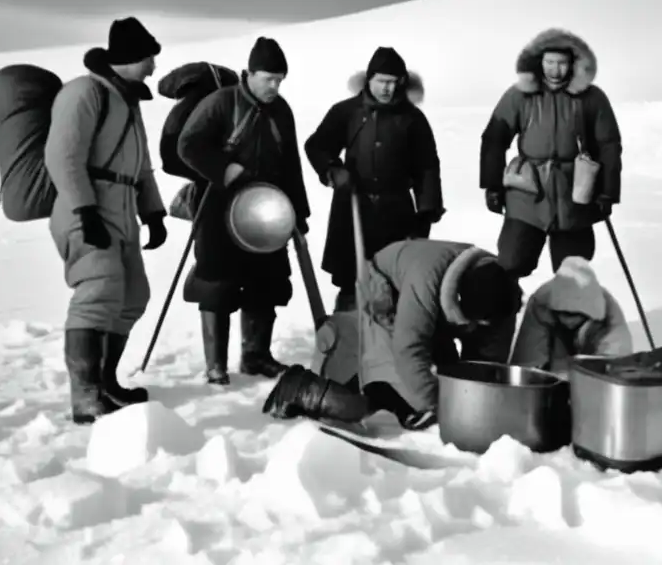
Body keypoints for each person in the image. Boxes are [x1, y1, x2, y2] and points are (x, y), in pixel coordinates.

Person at [44, 16, 168, 424]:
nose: (153, 66)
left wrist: (152, 211)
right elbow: (63, 157)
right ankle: (85, 395)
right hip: (87, 207)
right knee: (97, 292)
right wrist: (84, 211)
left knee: (133, 296)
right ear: (131, 57)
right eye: (149, 57)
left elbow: (142, 165)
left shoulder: (127, 101)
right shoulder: (84, 93)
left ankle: (106, 382)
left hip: (123, 211)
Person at [262, 239, 522, 429]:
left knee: (446, 382)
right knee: (378, 400)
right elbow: (409, 348)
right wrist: (438, 406)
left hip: (431, 312)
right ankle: (300, 387)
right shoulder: (425, 282)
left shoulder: (502, 293)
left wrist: (481, 399)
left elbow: (488, 361)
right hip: (385, 298)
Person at [177, 36, 311, 382]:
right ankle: (215, 365)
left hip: (268, 208)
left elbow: (290, 164)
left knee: (267, 280)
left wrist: (299, 214)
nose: (275, 85)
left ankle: (256, 356)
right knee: (217, 282)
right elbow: (188, 145)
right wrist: (225, 170)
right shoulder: (221, 103)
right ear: (249, 74)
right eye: (269, 78)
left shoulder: (282, 110)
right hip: (219, 205)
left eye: (280, 79)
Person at [304, 46, 444, 314]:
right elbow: (317, 145)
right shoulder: (347, 112)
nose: (387, 88)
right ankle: (348, 343)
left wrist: (426, 211)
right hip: (353, 209)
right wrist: (333, 170)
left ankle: (388, 347)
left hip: (396, 212)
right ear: (369, 79)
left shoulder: (412, 119)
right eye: (382, 81)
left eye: (393, 82)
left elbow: (427, 166)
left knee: (393, 281)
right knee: (350, 281)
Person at [479, 28, 623, 282]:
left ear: (573, 64)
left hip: (575, 196)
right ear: (539, 63)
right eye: (549, 63)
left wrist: (607, 191)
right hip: (526, 195)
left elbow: (608, 145)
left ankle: (568, 319)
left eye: (562, 63)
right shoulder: (519, 95)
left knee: (574, 273)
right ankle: (507, 314)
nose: (555, 70)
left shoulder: (592, 98)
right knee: (511, 263)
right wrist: (492, 185)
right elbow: (494, 139)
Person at [508, 256, 634, 374]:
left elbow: (616, 368)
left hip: (595, 368)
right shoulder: (541, 303)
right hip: (557, 352)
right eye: (563, 313)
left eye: (574, 315)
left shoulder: (609, 317)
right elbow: (527, 361)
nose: (568, 321)